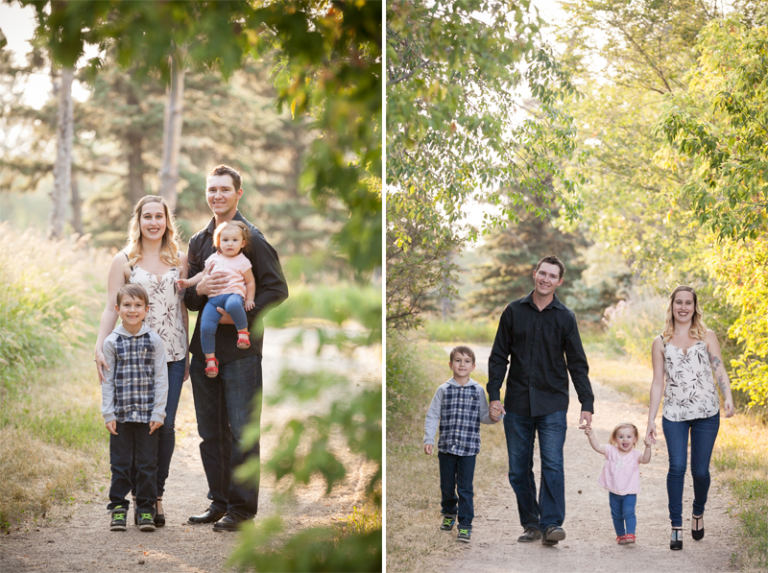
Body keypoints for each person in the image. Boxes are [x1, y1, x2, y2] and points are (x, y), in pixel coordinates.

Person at [184, 164, 288, 532]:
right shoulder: (200, 241)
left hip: (242, 352)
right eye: (211, 190)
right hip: (205, 350)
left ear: (238, 193)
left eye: (224, 190)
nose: (217, 196)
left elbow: (277, 289)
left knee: (242, 430)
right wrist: (198, 290)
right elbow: (191, 301)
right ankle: (220, 501)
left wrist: (242, 316)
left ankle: (242, 510)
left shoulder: (252, 239)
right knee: (211, 432)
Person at [94, 195, 189, 526]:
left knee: (163, 426)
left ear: (167, 221)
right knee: (132, 426)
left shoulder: (180, 258)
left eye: (159, 217)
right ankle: (132, 495)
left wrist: (188, 351)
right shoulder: (124, 260)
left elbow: (182, 309)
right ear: (139, 220)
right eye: (147, 216)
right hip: (132, 355)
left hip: (174, 353)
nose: (153, 222)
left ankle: (153, 498)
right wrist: (99, 346)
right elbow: (111, 307)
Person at [487, 255, 594, 546]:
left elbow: (577, 363)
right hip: (518, 403)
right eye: (542, 273)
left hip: (553, 403)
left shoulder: (565, 317)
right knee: (518, 469)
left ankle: (550, 524)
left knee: (552, 465)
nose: (546, 279)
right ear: (534, 274)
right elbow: (498, 357)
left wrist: (587, 403)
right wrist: (494, 396)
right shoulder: (512, 311)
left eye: (552, 275)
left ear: (560, 281)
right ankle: (531, 523)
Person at [645, 285, 734, 551]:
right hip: (674, 414)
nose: (683, 307)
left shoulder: (706, 336)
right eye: (678, 302)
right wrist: (650, 419)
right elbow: (657, 383)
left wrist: (728, 396)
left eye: (688, 303)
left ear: (695, 307)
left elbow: (719, 369)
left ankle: (698, 512)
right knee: (677, 467)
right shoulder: (660, 341)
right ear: (671, 306)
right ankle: (675, 527)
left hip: (707, 413)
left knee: (701, 471)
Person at [101, 284, 168, 532]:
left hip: (147, 415)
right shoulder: (112, 341)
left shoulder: (154, 340)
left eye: (138, 305)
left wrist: (159, 412)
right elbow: (106, 381)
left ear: (146, 309)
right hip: (120, 415)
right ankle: (118, 509)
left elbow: (161, 378)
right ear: (118, 309)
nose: (132, 310)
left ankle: (145, 510)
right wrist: (108, 413)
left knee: (147, 464)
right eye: (127, 305)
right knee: (120, 464)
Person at [423, 346, 501, 543]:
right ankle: (449, 514)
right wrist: (428, 439)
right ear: (450, 364)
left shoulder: (478, 390)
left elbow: (484, 416)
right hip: (447, 447)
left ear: (473, 366)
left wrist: (494, 417)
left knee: (465, 488)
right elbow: (433, 415)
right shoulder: (443, 389)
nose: (462, 364)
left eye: (467, 361)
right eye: (458, 360)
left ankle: (465, 525)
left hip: (468, 449)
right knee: (447, 486)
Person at [176, 220, 256, 377]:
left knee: (234, 305)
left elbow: (250, 281)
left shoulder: (242, 261)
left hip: (234, 295)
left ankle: (243, 333)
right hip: (213, 301)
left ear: (242, 243)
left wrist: (249, 299)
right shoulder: (213, 258)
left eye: (235, 240)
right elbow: (202, 275)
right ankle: (211, 361)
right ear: (218, 242)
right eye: (225, 240)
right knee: (205, 327)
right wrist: (188, 282)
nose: (230, 244)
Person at [584, 422, 652, 545]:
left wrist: (648, 447)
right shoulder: (611, 450)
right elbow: (597, 447)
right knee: (616, 515)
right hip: (614, 490)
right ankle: (620, 535)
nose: (625, 439)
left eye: (629, 437)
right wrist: (591, 435)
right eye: (621, 437)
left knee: (629, 512)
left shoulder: (635, 455)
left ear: (635, 439)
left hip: (630, 491)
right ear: (615, 439)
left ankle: (630, 534)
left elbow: (646, 459)